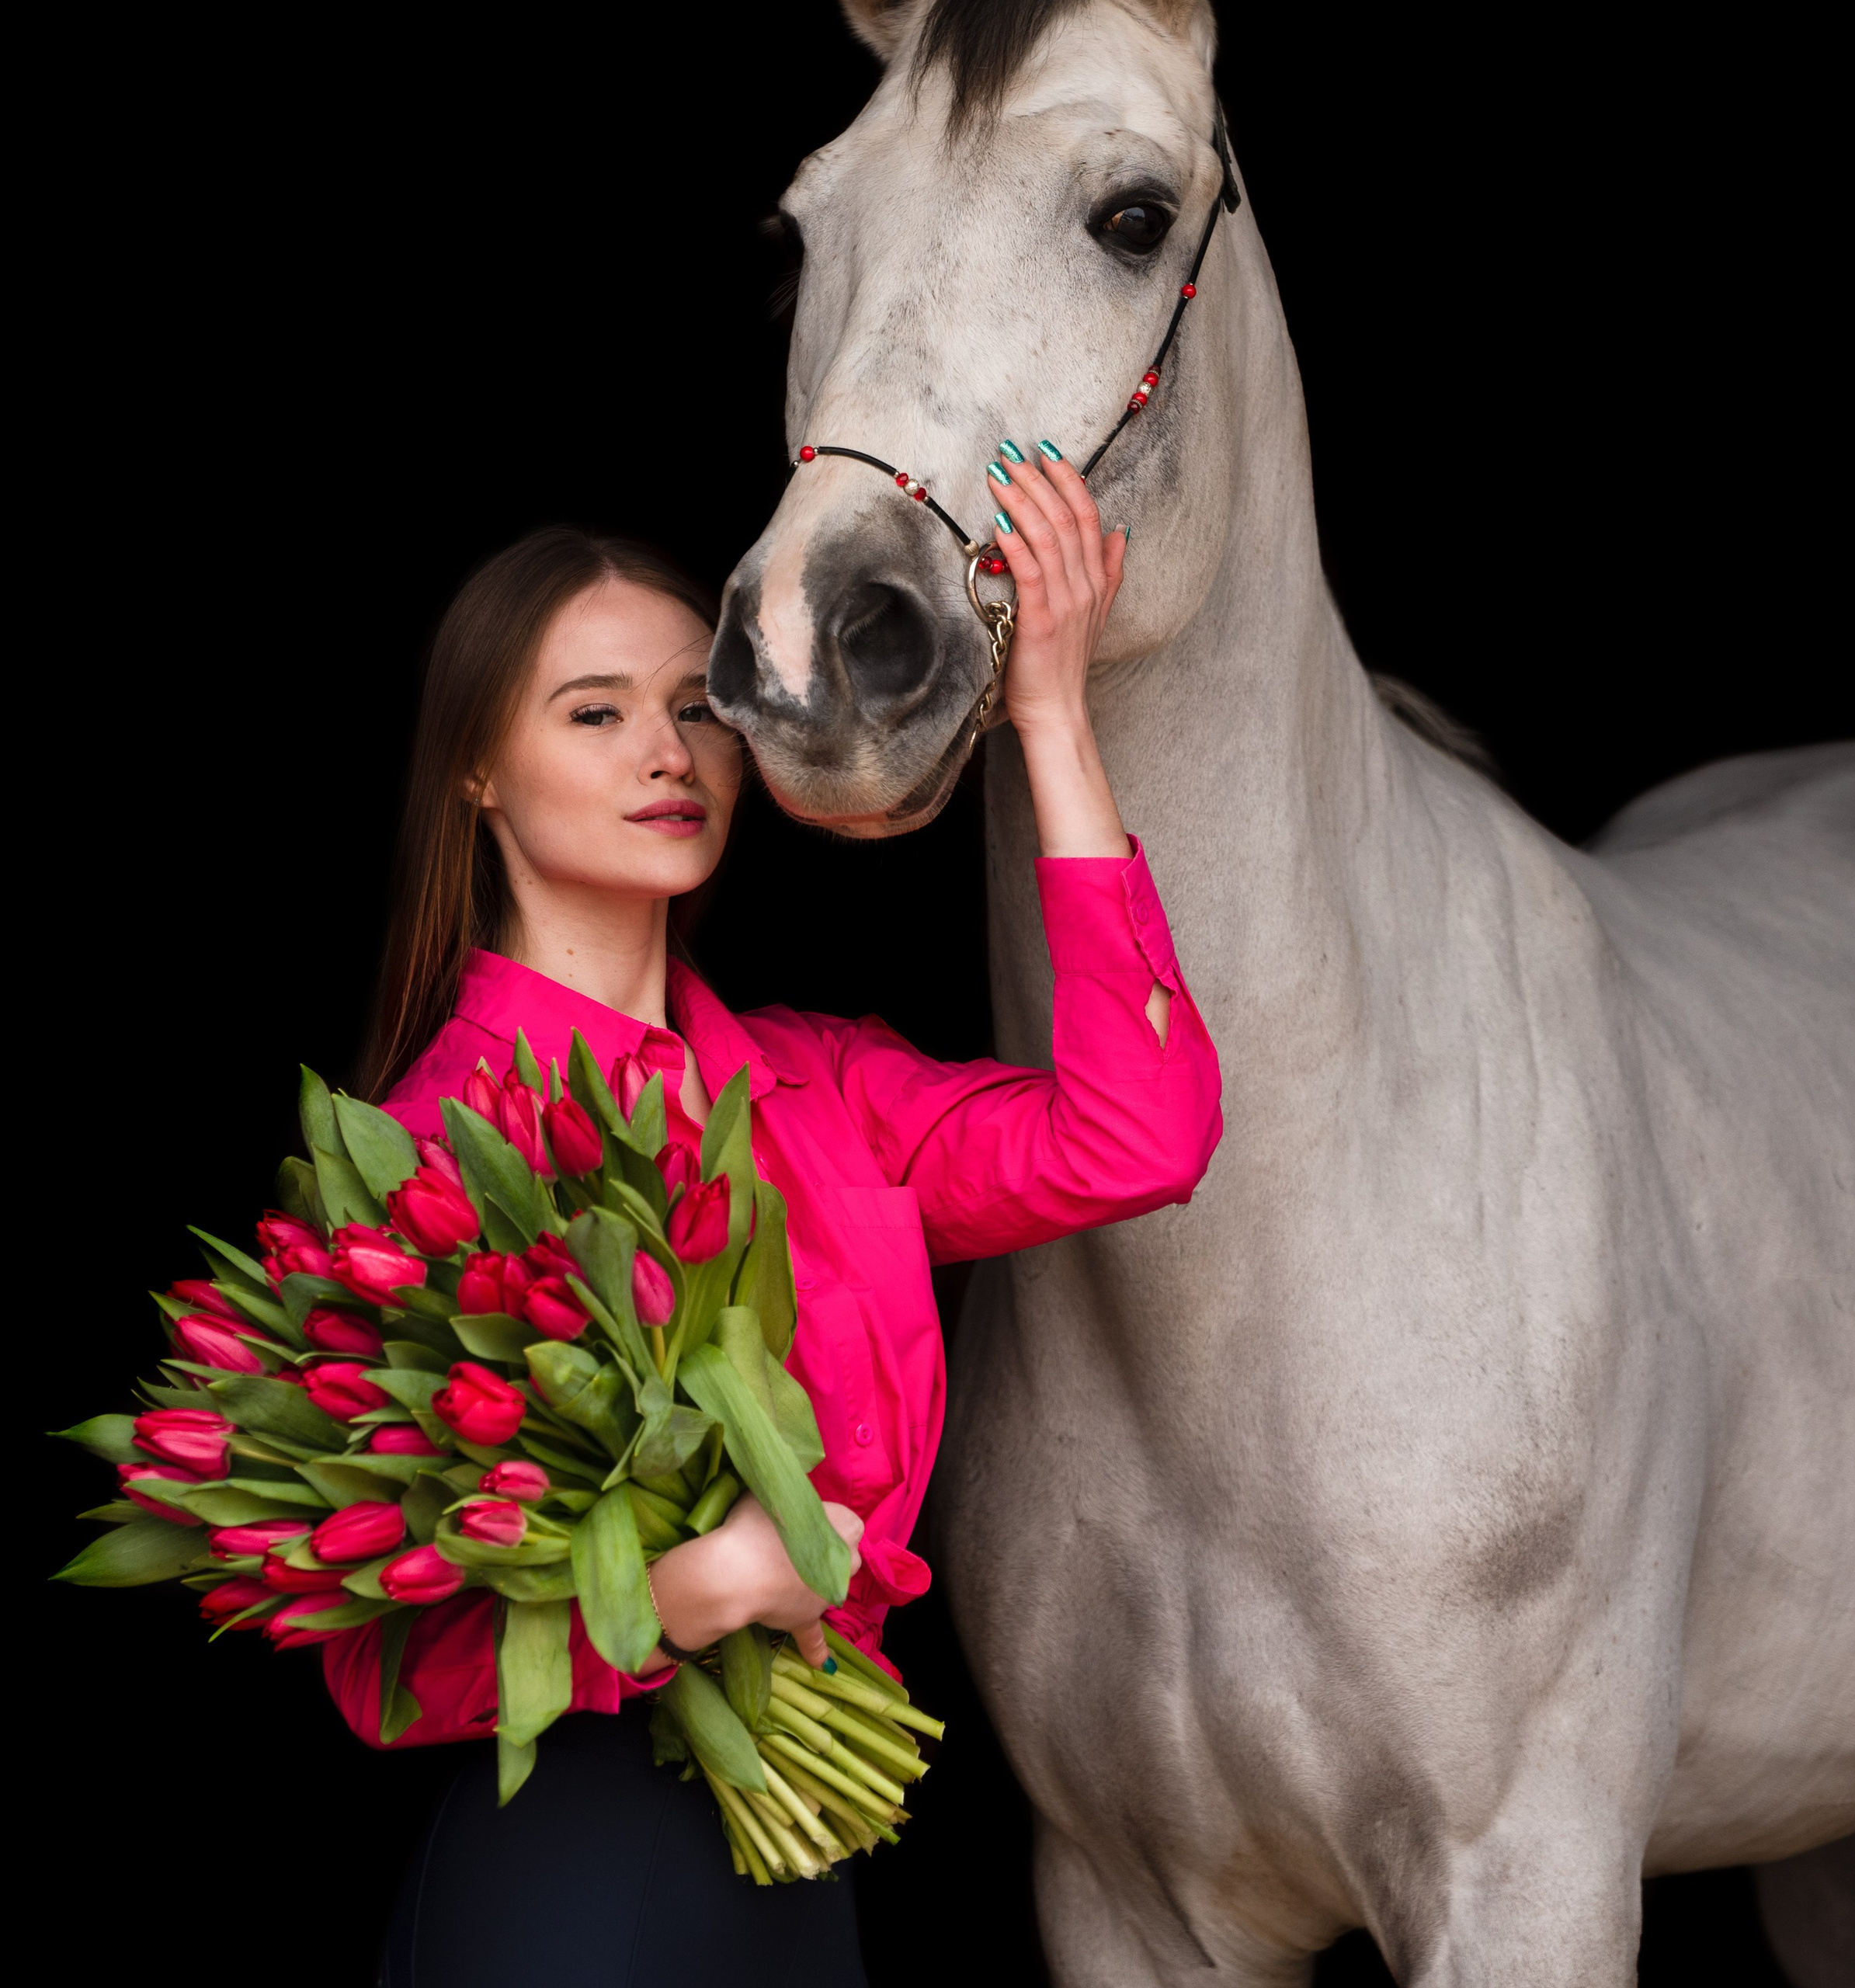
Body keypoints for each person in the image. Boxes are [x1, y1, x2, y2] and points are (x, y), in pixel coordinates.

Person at [339, 449, 1222, 1985]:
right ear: (476, 767)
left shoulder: (823, 1091)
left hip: (801, 1884)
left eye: (697, 705)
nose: (667, 751)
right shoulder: (424, 1153)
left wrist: (1049, 719)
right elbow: (381, 1667)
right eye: (595, 709)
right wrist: (700, 1585)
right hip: (564, 1874)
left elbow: (1134, 1134)